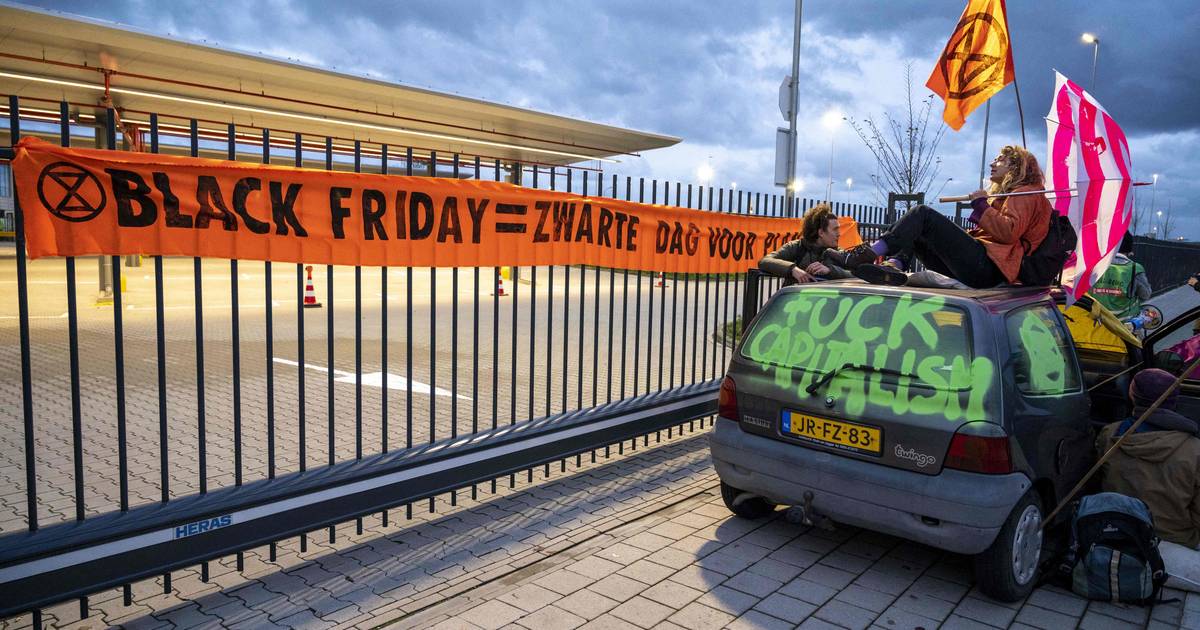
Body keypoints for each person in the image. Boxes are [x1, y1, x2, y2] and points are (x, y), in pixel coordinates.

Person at [826, 144, 1052, 288]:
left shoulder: (1026, 192)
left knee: (922, 214)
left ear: (1016, 166)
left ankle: (864, 255)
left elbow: (1009, 232)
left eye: (1000, 159)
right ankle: (893, 267)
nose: (993, 163)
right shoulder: (1012, 195)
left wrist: (982, 205)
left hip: (988, 269)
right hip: (982, 267)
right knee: (917, 229)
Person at [1096, 368, 1200, 593]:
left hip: (1113, 532)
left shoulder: (1110, 434)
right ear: (1174, 402)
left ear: (1131, 395)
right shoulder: (1195, 450)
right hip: (1170, 543)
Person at [758, 203, 853, 285]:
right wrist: (793, 269)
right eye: (835, 229)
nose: (839, 234)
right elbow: (765, 261)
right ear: (821, 232)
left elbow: (856, 275)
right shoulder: (797, 247)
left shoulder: (838, 253)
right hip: (796, 299)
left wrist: (830, 270)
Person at [1091, 232, 1151, 318]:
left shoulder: (1093, 265)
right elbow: (1145, 295)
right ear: (1129, 249)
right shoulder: (1135, 268)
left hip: (1096, 319)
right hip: (1123, 322)